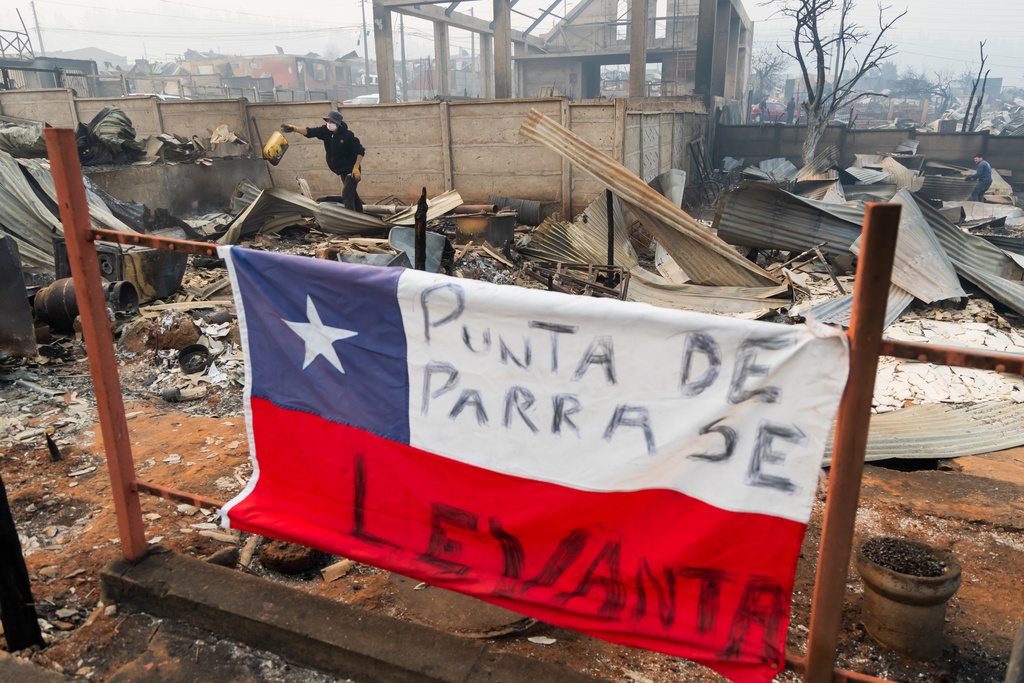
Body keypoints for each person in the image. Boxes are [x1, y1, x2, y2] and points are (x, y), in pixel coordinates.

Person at [280, 111, 365, 212]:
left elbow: (360, 151)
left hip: (352, 171)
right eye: (327, 121)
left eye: (331, 121)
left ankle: (352, 220)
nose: (328, 123)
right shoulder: (325, 131)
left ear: (337, 123)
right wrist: (295, 129)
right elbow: (310, 132)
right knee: (352, 195)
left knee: (347, 195)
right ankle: (360, 214)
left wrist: (356, 167)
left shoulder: (348, 136)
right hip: (342, 171)